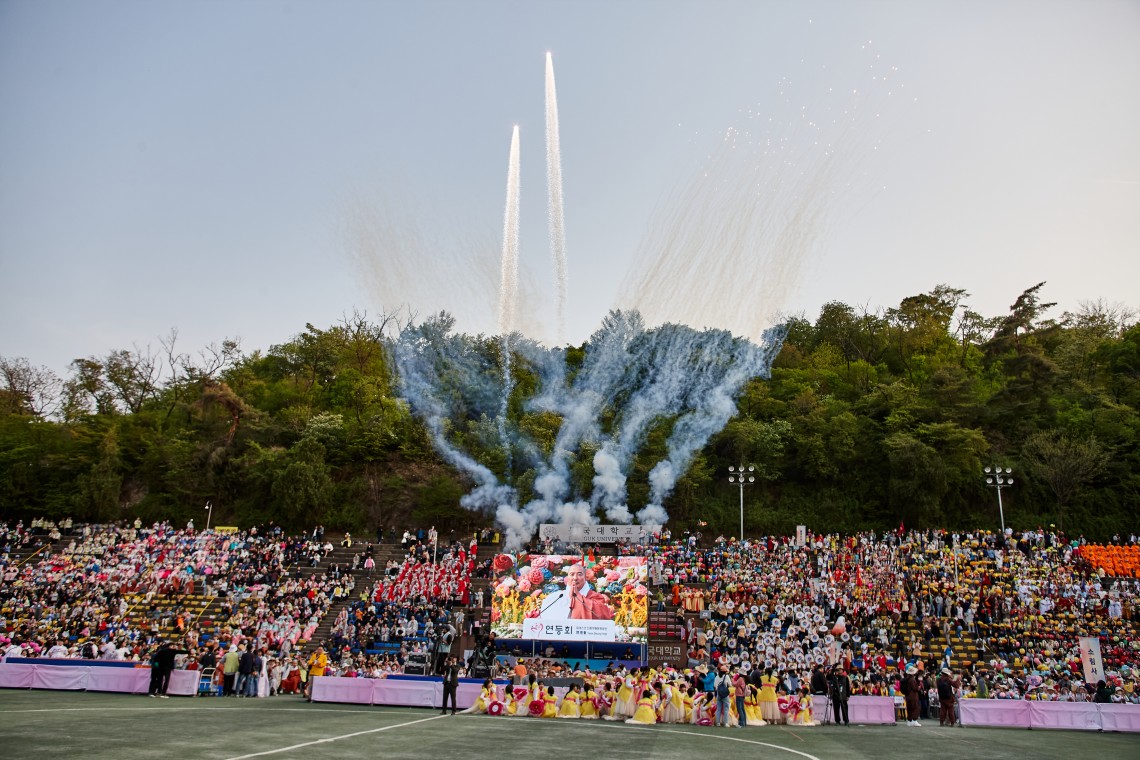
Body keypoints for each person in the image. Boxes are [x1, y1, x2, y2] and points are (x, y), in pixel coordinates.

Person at [537, 564, 614, 620]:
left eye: (579, 574)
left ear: (585, 578)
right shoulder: (555, 597)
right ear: (567, 577)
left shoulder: (596, 597)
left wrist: (578, 597)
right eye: (572, 574)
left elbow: (602, 617)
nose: (575, 578)